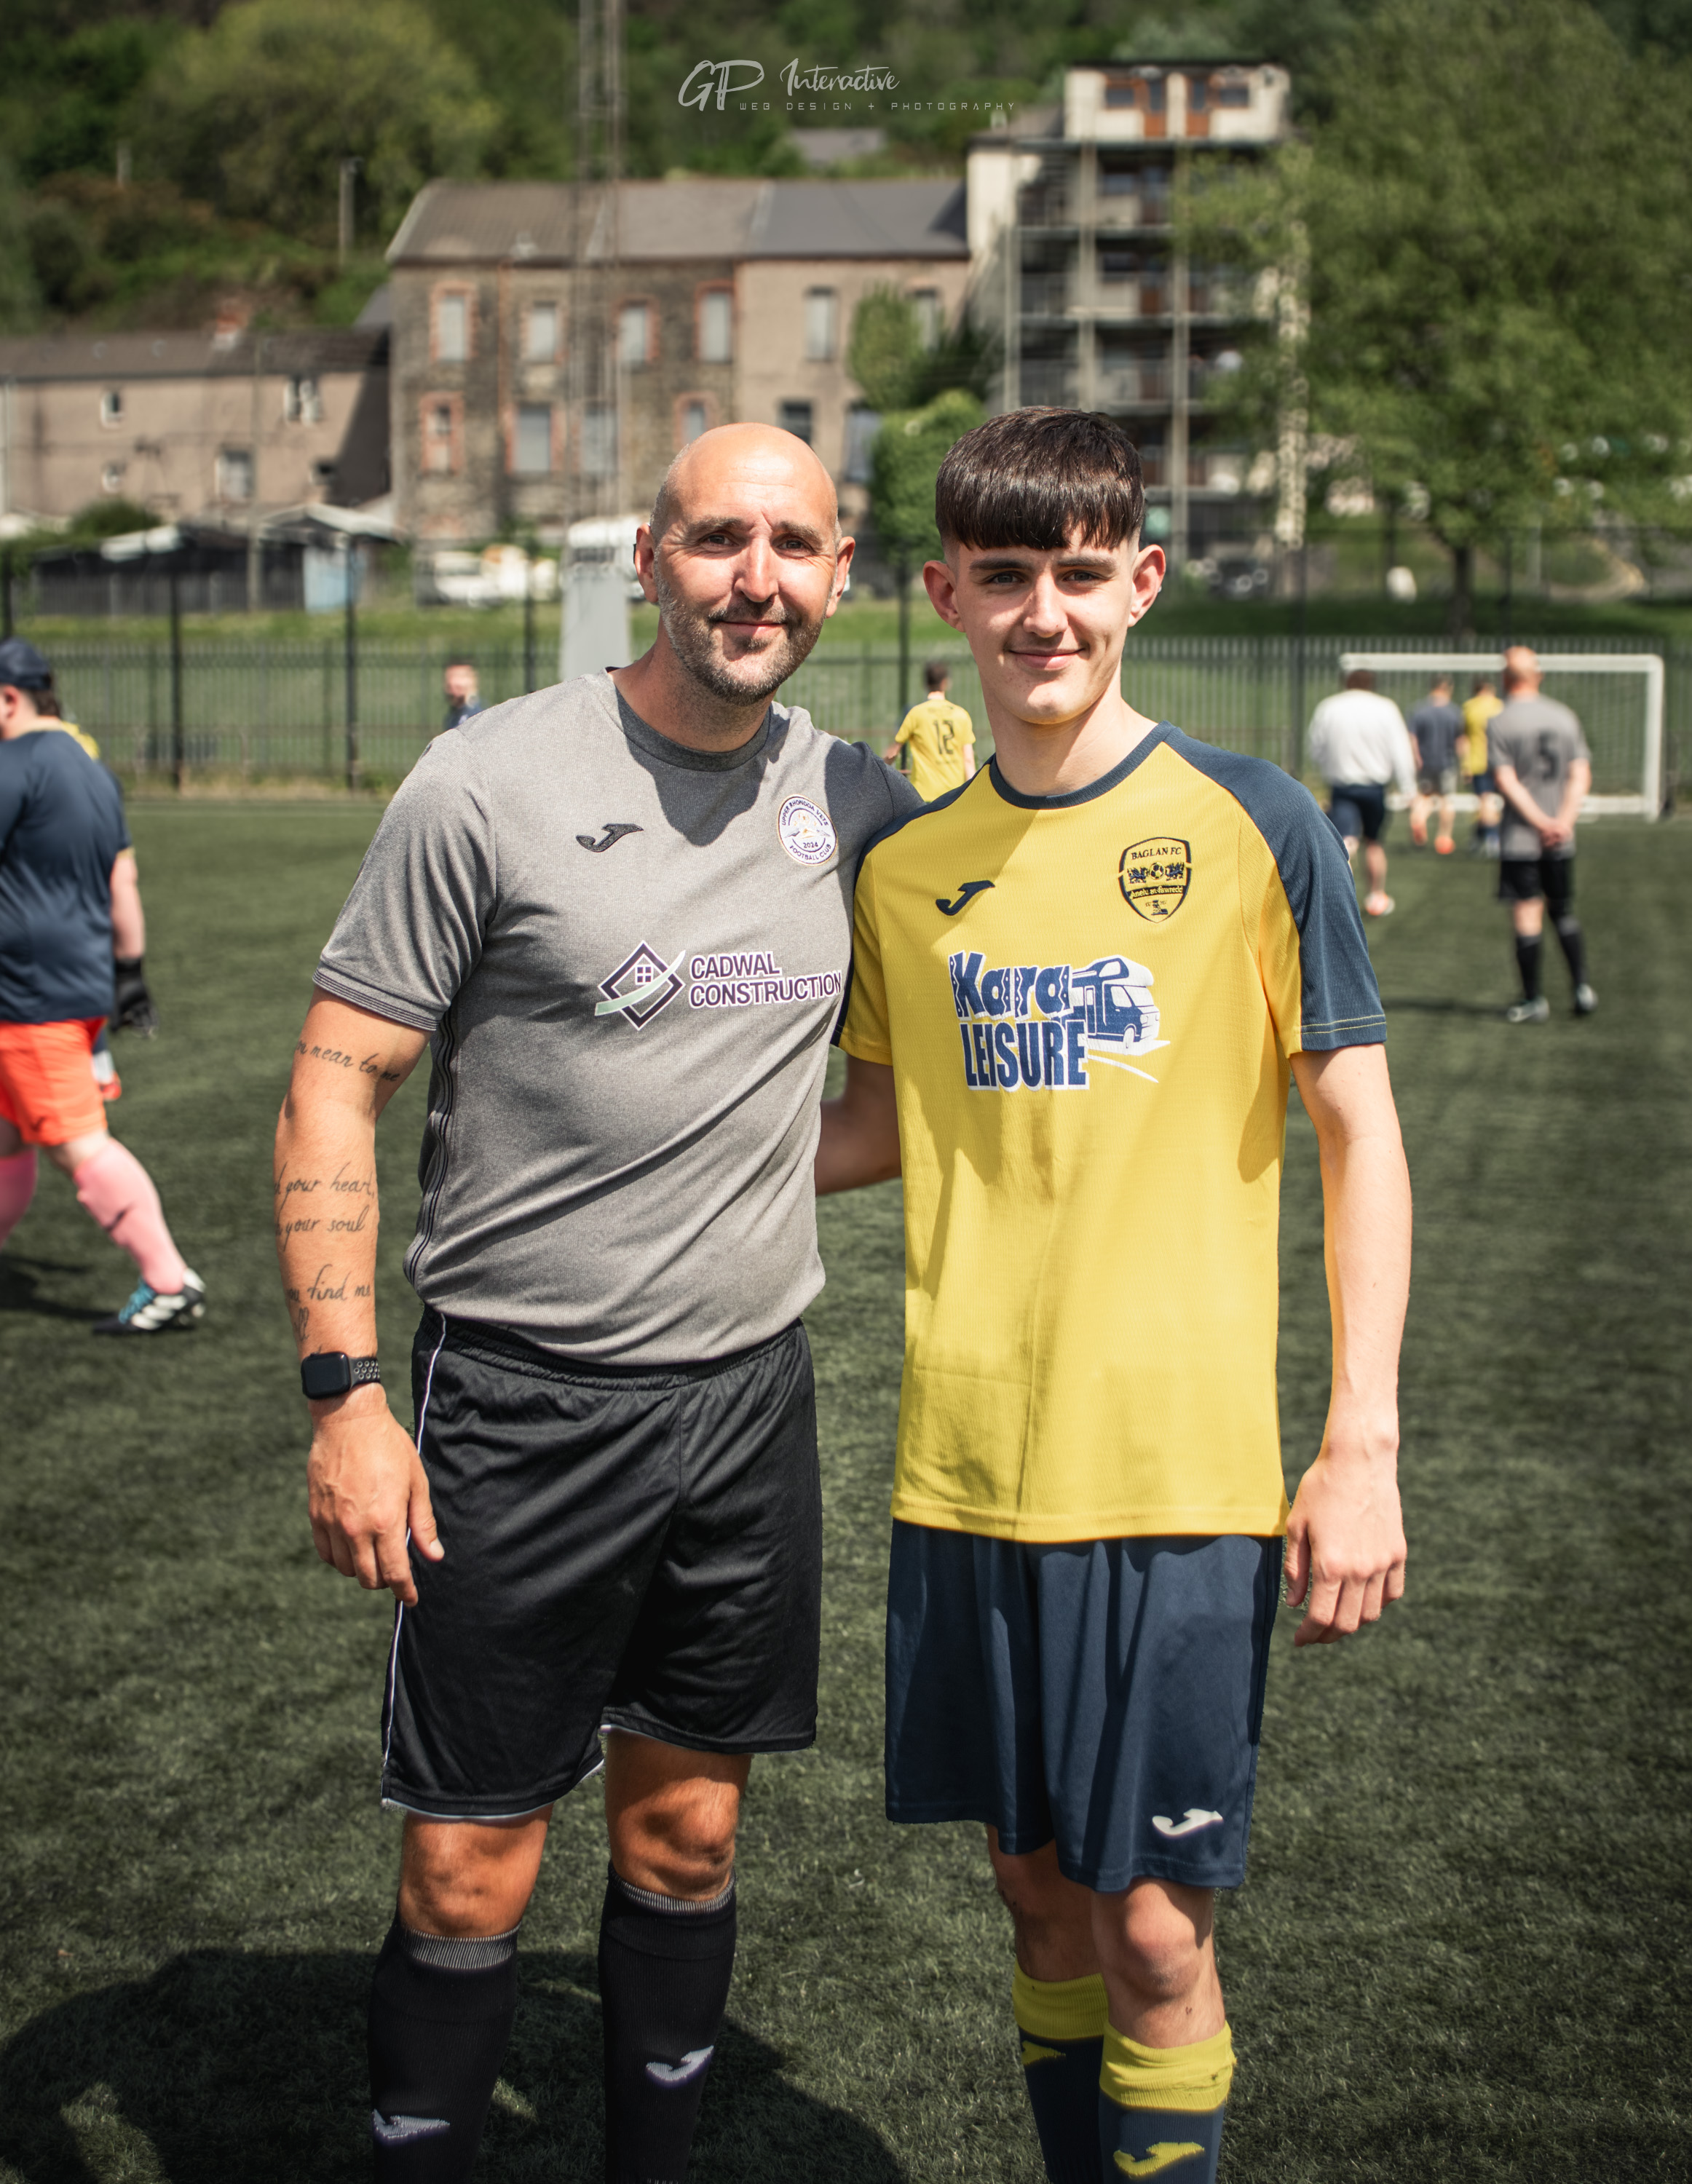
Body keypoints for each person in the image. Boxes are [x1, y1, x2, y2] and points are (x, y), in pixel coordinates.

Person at [273, 422, 919, 2184]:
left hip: (745, 1405)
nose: (755, 578)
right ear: (651, 556)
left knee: (692, 1836)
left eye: (793, 544)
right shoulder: (485, 780)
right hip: (521, 1405)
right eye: (719, 539)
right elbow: (337, 1080)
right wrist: (345, 1395)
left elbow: (858, 1099)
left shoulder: (855, 798)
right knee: (471, 1864)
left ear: (841, 572)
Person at [815, 408, 1410, 2184]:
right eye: (1005, 577)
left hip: (1178, 1480)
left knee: (1155, 1927)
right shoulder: (907, 871)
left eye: (1082, 575)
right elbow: (865, 1126)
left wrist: (1359, 1441)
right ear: (947, 595)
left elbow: (1359, 1132)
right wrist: (601, 1134)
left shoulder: (1253, 822)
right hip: (966, 1466)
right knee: (1033, 1890)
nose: (1045, 615)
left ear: (1143, 582)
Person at [0, 636, 199, 1332]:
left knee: (76, 1142)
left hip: (27, 994)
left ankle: (167, 1280)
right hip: (78, 982)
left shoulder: (13, 763)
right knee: (7, 1135)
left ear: (7, 698)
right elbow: (124, 880)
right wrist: (130, 977)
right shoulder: (92, 770)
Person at [1489, 645, 1596, 1024]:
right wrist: (1561, 822)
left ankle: (1534, 999)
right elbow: (1580, 774)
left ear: (1505, 678)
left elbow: (1506, 781)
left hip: (1522, 839)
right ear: (1539, 675)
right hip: (1560, 839)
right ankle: (1581, 988)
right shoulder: (1564, 716)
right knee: (1563, 911)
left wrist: (1538, 823)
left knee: (1527, 913)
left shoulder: (1501, 721)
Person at [1305, 667, 1417, 917]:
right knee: (1375, 842)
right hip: (1374, 787)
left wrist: (1326, 768)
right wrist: (1409, 787)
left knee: (1346, 842)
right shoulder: (1386, 707)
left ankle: (1339, 900)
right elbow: (1400, 750)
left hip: (1342, 785)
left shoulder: (1329, 707)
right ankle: (1376, 895)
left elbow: (1316, 746)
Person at [885, 657, 976, 801]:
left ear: (926, 683)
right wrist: (972, 794)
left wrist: (879, 771)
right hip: (954, 794)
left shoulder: (916, 714)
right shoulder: (961, 715)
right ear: (945, 683)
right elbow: (969, 760)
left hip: (923, 794)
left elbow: (892, 754)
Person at [1407, 673, 1463, 854]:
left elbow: (1412, 737)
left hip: (1425, 761)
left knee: (1425, 797)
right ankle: (1444, 838)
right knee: (1446, 800)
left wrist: (1416, 757)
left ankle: (1419, 819)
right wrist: (1463, 764)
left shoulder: (1419, 709)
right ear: (1448, 688)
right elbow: (1460, 741)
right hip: (1446, 762)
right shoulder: (1455, 712)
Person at [1460, 674, 1504, 856]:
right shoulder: (1499, 707)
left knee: (1484, 800)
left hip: (1477, 760)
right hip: (1499, 760)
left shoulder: (1469, 707)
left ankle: (1491, 837)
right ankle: (1482, 837)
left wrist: (1465, 764)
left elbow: (1464, 739)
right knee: (1491, 801)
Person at [441, 658, 483, 730]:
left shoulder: (474, 715)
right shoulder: (454, 715)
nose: (452, 681)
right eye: (450, 677)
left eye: (460, 676)